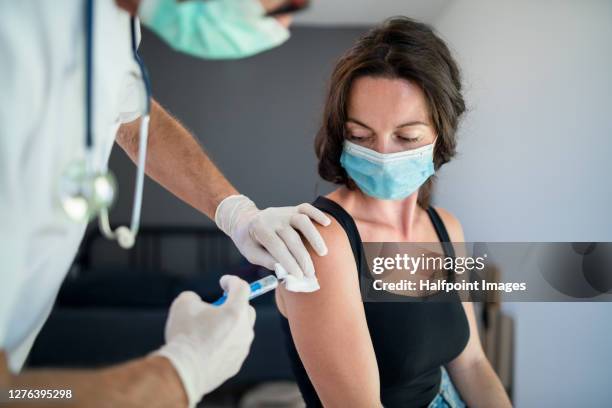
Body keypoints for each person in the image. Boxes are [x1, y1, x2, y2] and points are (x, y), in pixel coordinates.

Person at [0, 0, 329, 406]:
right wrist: (180, 373)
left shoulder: (113, 24)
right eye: (284, 3)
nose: (282, 24)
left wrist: (236, 212)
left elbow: (133, 119)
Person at [276, 17, 513, 407]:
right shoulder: (324, 243)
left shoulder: (445, 228)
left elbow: (471, 363)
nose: (383, 154)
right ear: (340, 134)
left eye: (407, 137)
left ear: (441, 134)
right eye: (361, 136)